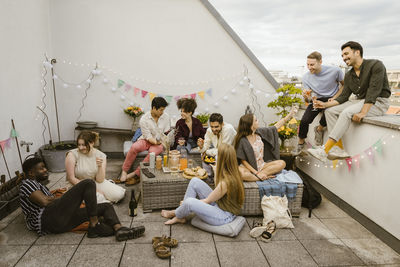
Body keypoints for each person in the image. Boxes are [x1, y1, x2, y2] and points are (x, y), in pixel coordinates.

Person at [19, 157, 145, 240]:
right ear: (31, 173)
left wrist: (65, 199)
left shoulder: (37, 184)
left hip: (60, 221)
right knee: (88, 183)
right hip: (48, 220)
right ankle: (95, 224)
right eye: (41, 168)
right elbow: (44, 201)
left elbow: (49, 199)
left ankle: (119, 229)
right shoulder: (27, 184)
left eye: (45, 167)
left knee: (106, 206)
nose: (46, 170)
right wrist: (68, 197)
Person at [308, 41, 391, 162]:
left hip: (378, 102)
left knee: (347, 112)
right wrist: (324, 105)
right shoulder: (349, 74)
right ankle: (337, 149)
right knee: (330, 111)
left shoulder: (375, 65)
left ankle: (324, 150)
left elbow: (374, 91)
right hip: (360, 101)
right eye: (342, 55)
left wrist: (363, 112)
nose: (344, 57)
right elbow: (343, 97)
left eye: (346, 54)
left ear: (357, 52)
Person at [160, 143, 244, 225]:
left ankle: (177, 214)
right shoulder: (232, 172)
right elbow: (218, 192)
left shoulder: (226, 181)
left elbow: (207, 201)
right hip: (220, 205)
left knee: (189, 202)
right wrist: (215, 172)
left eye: (217, 156)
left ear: (222, 160)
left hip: (223, 216)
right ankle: (181, 214)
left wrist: (186, 204)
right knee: (195, 181)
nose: (215, 158)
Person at [295, 51, 344, 153]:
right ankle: (301, 142)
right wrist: (306, 97)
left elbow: (344, 85)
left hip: (333, 97)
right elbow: (308, 100)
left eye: (312, 64)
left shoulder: (335, 71)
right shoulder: (306, 77)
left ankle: (319, 129)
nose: (309, 67)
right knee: (304, 120)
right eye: (307, 64)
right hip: (317, 99)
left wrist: (335, 97)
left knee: (329, 112)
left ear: (320, 62)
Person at [234, 108, 297, 181]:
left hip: (262, 165)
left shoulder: (260, 132)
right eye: (256, 120)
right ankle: (258, 176)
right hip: (248, 167)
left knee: (282, 163)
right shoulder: (242, 140)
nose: (258, 121)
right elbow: (243, 161)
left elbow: (275, 127)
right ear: (251, 125)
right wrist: (256, 172)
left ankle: (259, 176)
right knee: (241, 173)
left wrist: (289, 115)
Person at [120, 97, 170, 183]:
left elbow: (166, 132)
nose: (162, 112)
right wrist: (155, 141)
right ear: (154, 108)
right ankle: (124, 171)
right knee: (134, 147)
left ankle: (135, 174)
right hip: (146, 139)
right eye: (161, 110)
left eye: (163, 110)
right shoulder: (144, 119)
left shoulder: (165, 117)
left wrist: (161, 141)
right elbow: (147, 136)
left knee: (153, 153)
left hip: (159, 142)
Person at [66, 131, 126, 203]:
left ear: (92, 143)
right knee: (98, 199)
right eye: (79, 144)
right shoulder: (72, 155)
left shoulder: (101, 155)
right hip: (77, 184)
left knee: (118, 195)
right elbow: (71, 178)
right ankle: (102, 200)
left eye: (84, 145)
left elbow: (100, 180)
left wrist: (100, 166)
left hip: (94, 182)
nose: (81, 147)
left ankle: (103, 199)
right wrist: (94, 190)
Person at [197, 113, 236, 178]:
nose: (214, 129)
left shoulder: (229, 129)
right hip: (219, 152)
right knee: (203, 155)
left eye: (216, 127)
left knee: (218, 156)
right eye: (212, 126)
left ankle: (219, 177)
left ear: (222, 124)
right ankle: (208, 175)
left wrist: (206, 152)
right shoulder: (209, 130)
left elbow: (223, 150)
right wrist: (201, 146)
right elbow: (206, 146)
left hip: (230, 154)